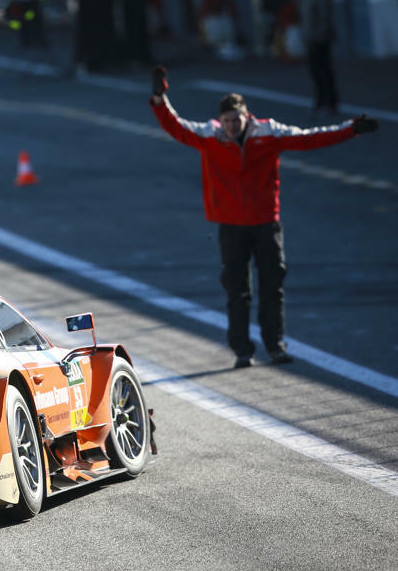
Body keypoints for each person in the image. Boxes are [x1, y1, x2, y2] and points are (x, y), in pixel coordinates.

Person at [149, 66, 379, 368]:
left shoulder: (269, 133)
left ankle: (276, 346)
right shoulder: (210, 136)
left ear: (248, 116)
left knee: (273, 287)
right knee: (237, 290)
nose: (232, 126)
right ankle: (242, 350)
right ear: (221, 120)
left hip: (265, 223)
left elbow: (309, 138)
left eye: (237, 120)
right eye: (227, 121)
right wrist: (158, 98)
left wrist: (351, 128)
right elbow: (174, 125)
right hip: (231, 225)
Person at [301, 0, 339, 113]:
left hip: (319, 38)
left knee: (323, 70)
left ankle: (329, 101)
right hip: (312, 37)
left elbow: (324, 17)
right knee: (316, 70)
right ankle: (322, 98)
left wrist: (322, 35)